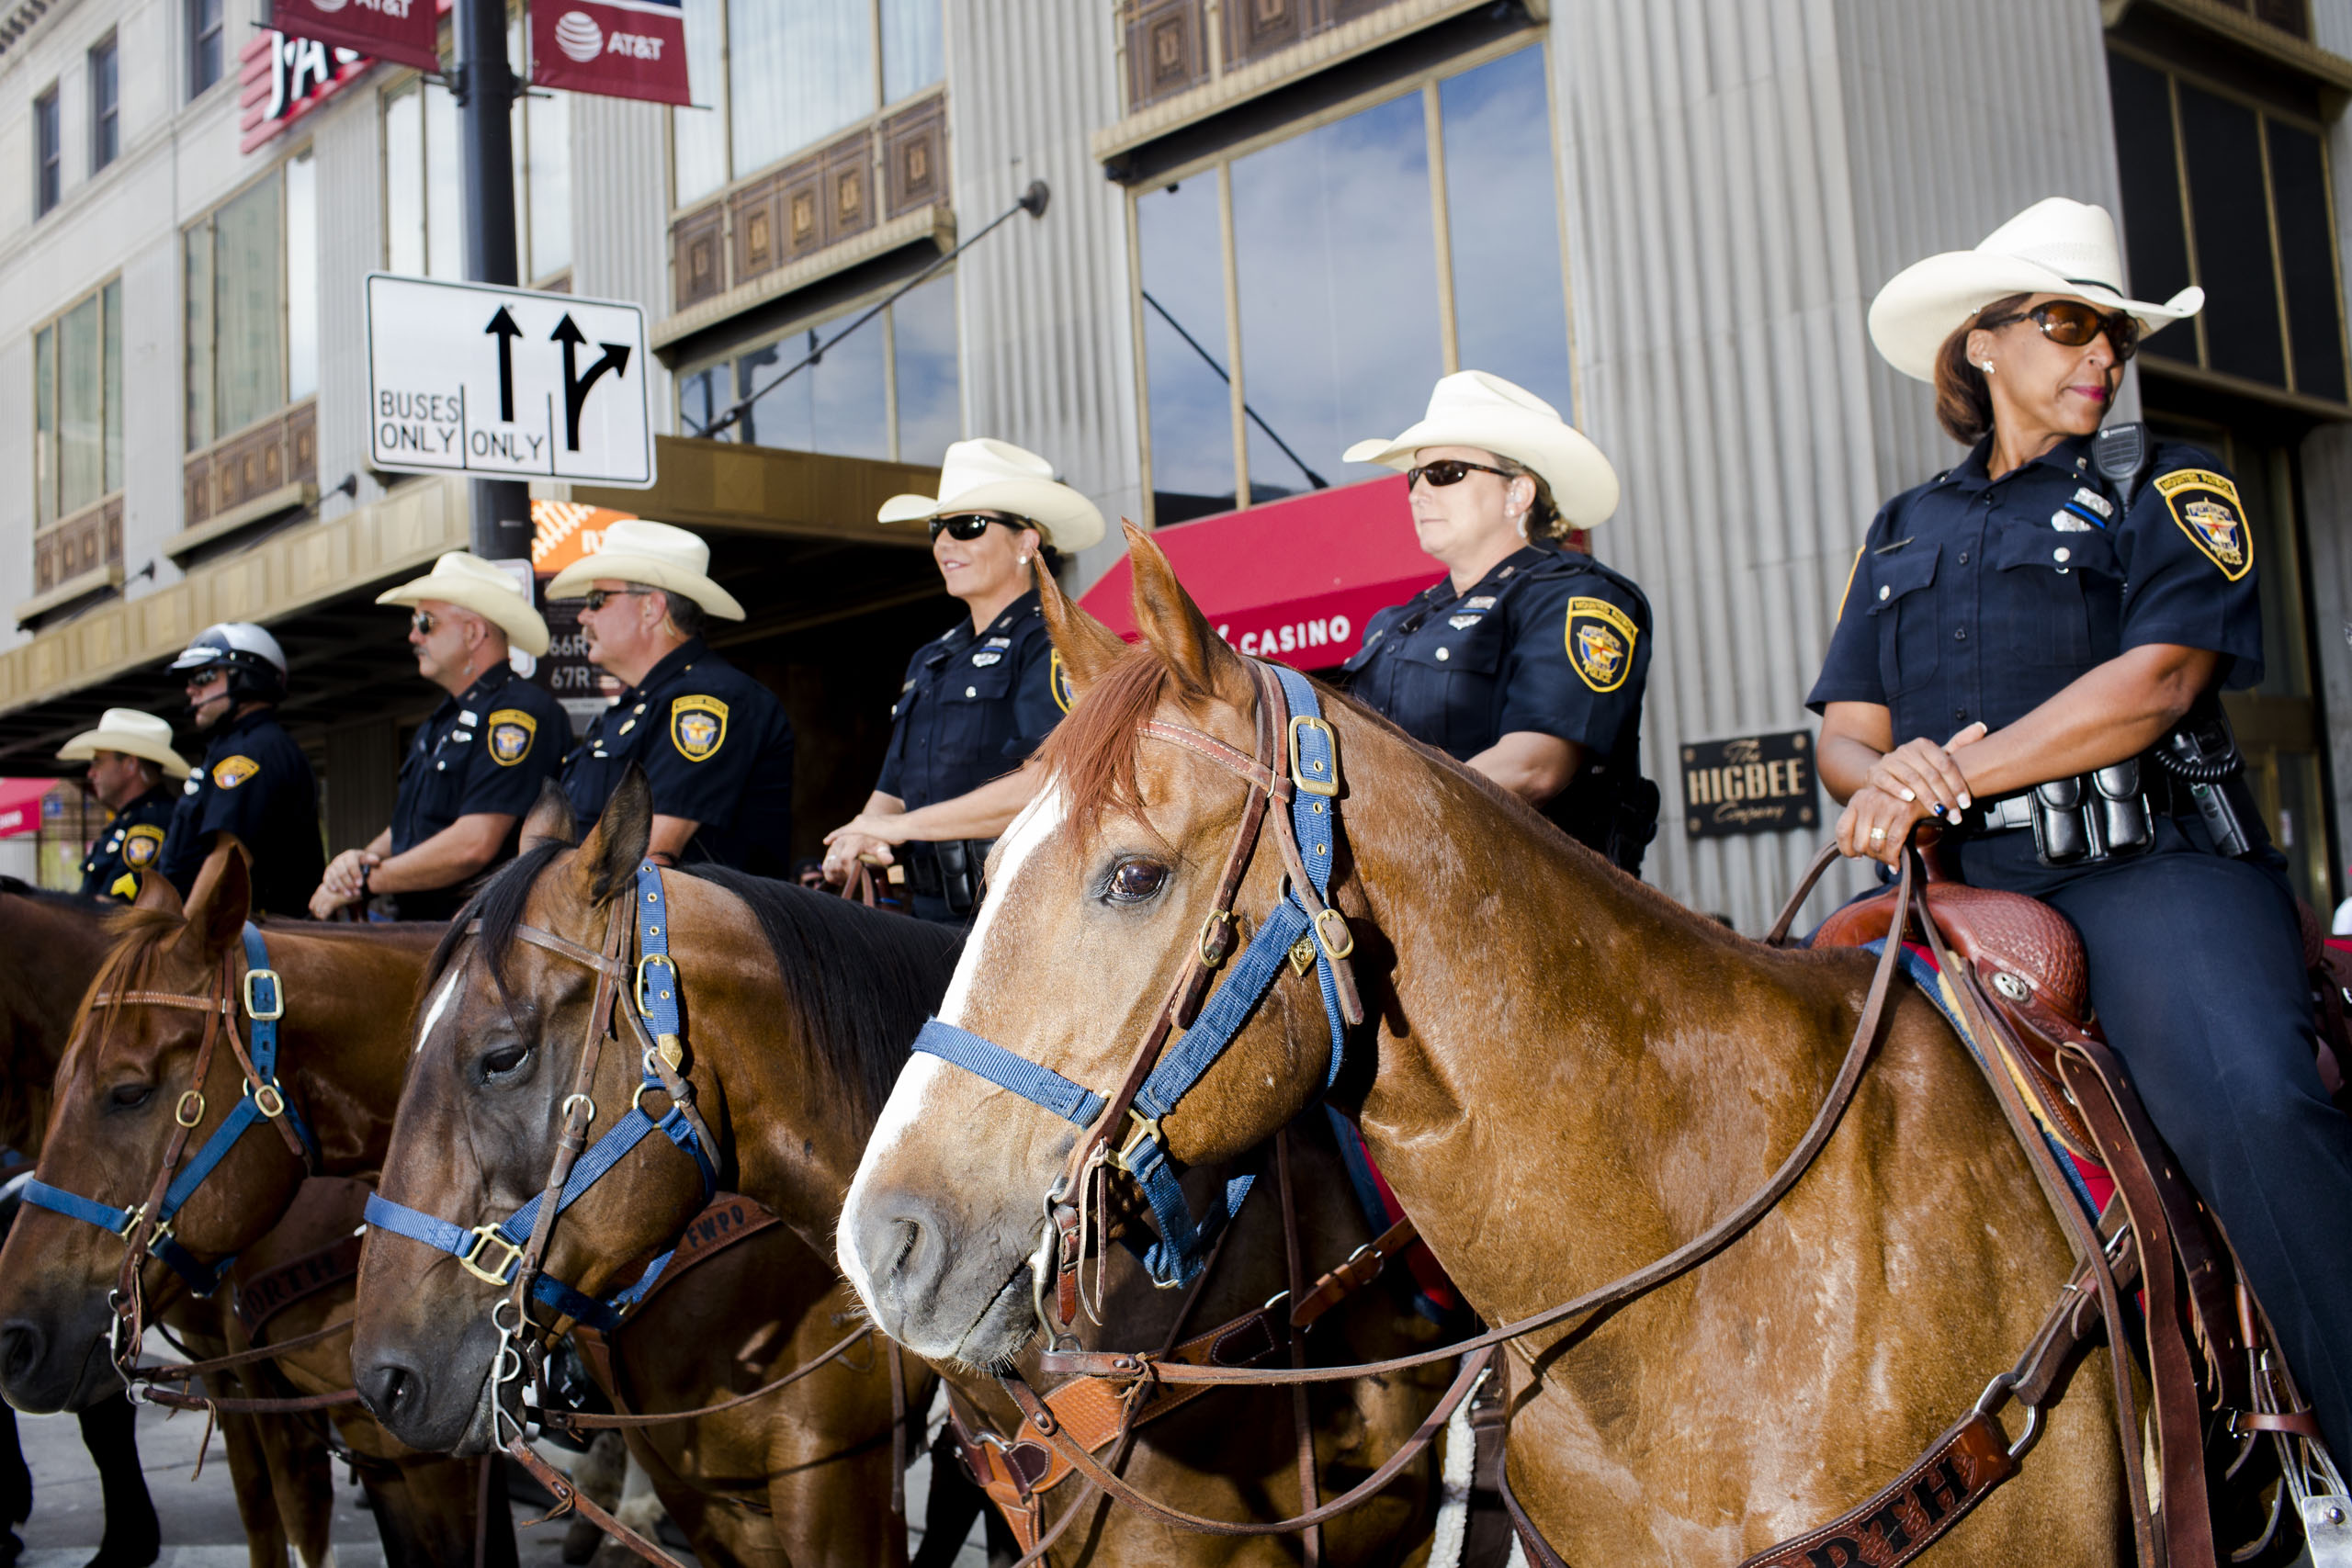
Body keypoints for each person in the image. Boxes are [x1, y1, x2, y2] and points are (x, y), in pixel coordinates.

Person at [1808, 196, 2352, 1457]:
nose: (2101, 353)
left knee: (2254, 1102)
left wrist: (1953, 770)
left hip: (2147, 867)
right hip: (1950, 885)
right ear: (1979, 344)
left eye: (2113, 330)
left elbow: (2159, 679)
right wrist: (1882, 777)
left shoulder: (2175, 476)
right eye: (2067, 324)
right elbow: (1843, 728)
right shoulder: (1901, 525)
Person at [1336, 371, 1660, 874]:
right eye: (1414, 477)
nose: (1418, 494)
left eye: (1444, 472)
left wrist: (1380, 824)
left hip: (1543, 914)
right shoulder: (1393, 623)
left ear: (1519, 493)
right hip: (1407, 905)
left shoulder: (1578, 595)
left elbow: (1535, 767)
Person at [819, 439, 1103, 924]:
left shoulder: (1053, 642)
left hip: (1022, 919)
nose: (944, 544)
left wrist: (898, 827)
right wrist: (860, 833)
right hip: (922, 915)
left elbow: (1054, 780)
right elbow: (893, 787)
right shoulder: (931, 658)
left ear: (1026, 542)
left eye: (966, 527)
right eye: (937, 529)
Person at [310, 553, 569, 921]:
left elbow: (473, 844)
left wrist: (368, 880)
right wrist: (357, 863)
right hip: (427, 934)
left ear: (474, 632)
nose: (413, 635)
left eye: (425, 622)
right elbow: (409, 827)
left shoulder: (518, 714)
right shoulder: (443, 719)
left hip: (476, 944)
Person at [546, 521, 795, 874]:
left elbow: (649, 853)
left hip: (684, 928)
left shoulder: (707, 699)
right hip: (609, 922)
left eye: (597, 600)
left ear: (652, 608)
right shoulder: (632, 707)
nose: (583, 615)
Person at [156, 623, 324, 918]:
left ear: (247, 677)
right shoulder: (236, 746)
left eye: (205, 677)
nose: (191, 690)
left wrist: (182, 938)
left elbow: (229, 857)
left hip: (258, 941)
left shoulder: (250, 751)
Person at [55, 708, 191, 902]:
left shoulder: (153, 821)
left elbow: (113, 908)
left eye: (97, 762)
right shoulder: (128, 819)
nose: (91, 773)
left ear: (130, 765)